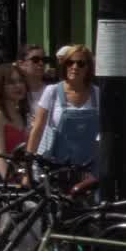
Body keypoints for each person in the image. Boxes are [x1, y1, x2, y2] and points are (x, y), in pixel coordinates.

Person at [27, 45, 99, 174]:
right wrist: (29, 169)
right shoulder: (52, 92)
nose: (75, 67)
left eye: (81, 63)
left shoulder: (97, 93)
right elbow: (37, 130)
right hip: (56, 167)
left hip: (89, 169)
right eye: (70, 62)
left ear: (88, 68)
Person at [0, 61, 33, 183]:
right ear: (0, 86)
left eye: (21, 81)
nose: (18, 86)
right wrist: (9, 184)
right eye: (11, 82)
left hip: (15, 172)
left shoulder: (20, 113)